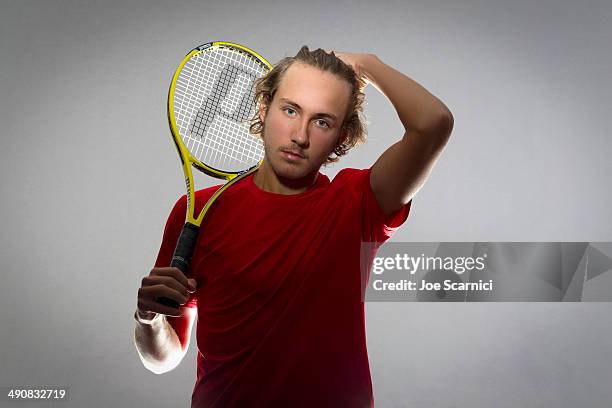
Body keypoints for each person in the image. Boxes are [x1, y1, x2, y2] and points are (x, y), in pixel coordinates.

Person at [134, 46, 453, 407]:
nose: (300, 136)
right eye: (290, 110)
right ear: (263, 108)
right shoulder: (199, 211)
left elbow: (433, 124)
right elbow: (163, 359)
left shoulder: (358, 203)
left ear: (342, 137)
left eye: (322, 121)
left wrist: (367, 65)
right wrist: (149, 319)